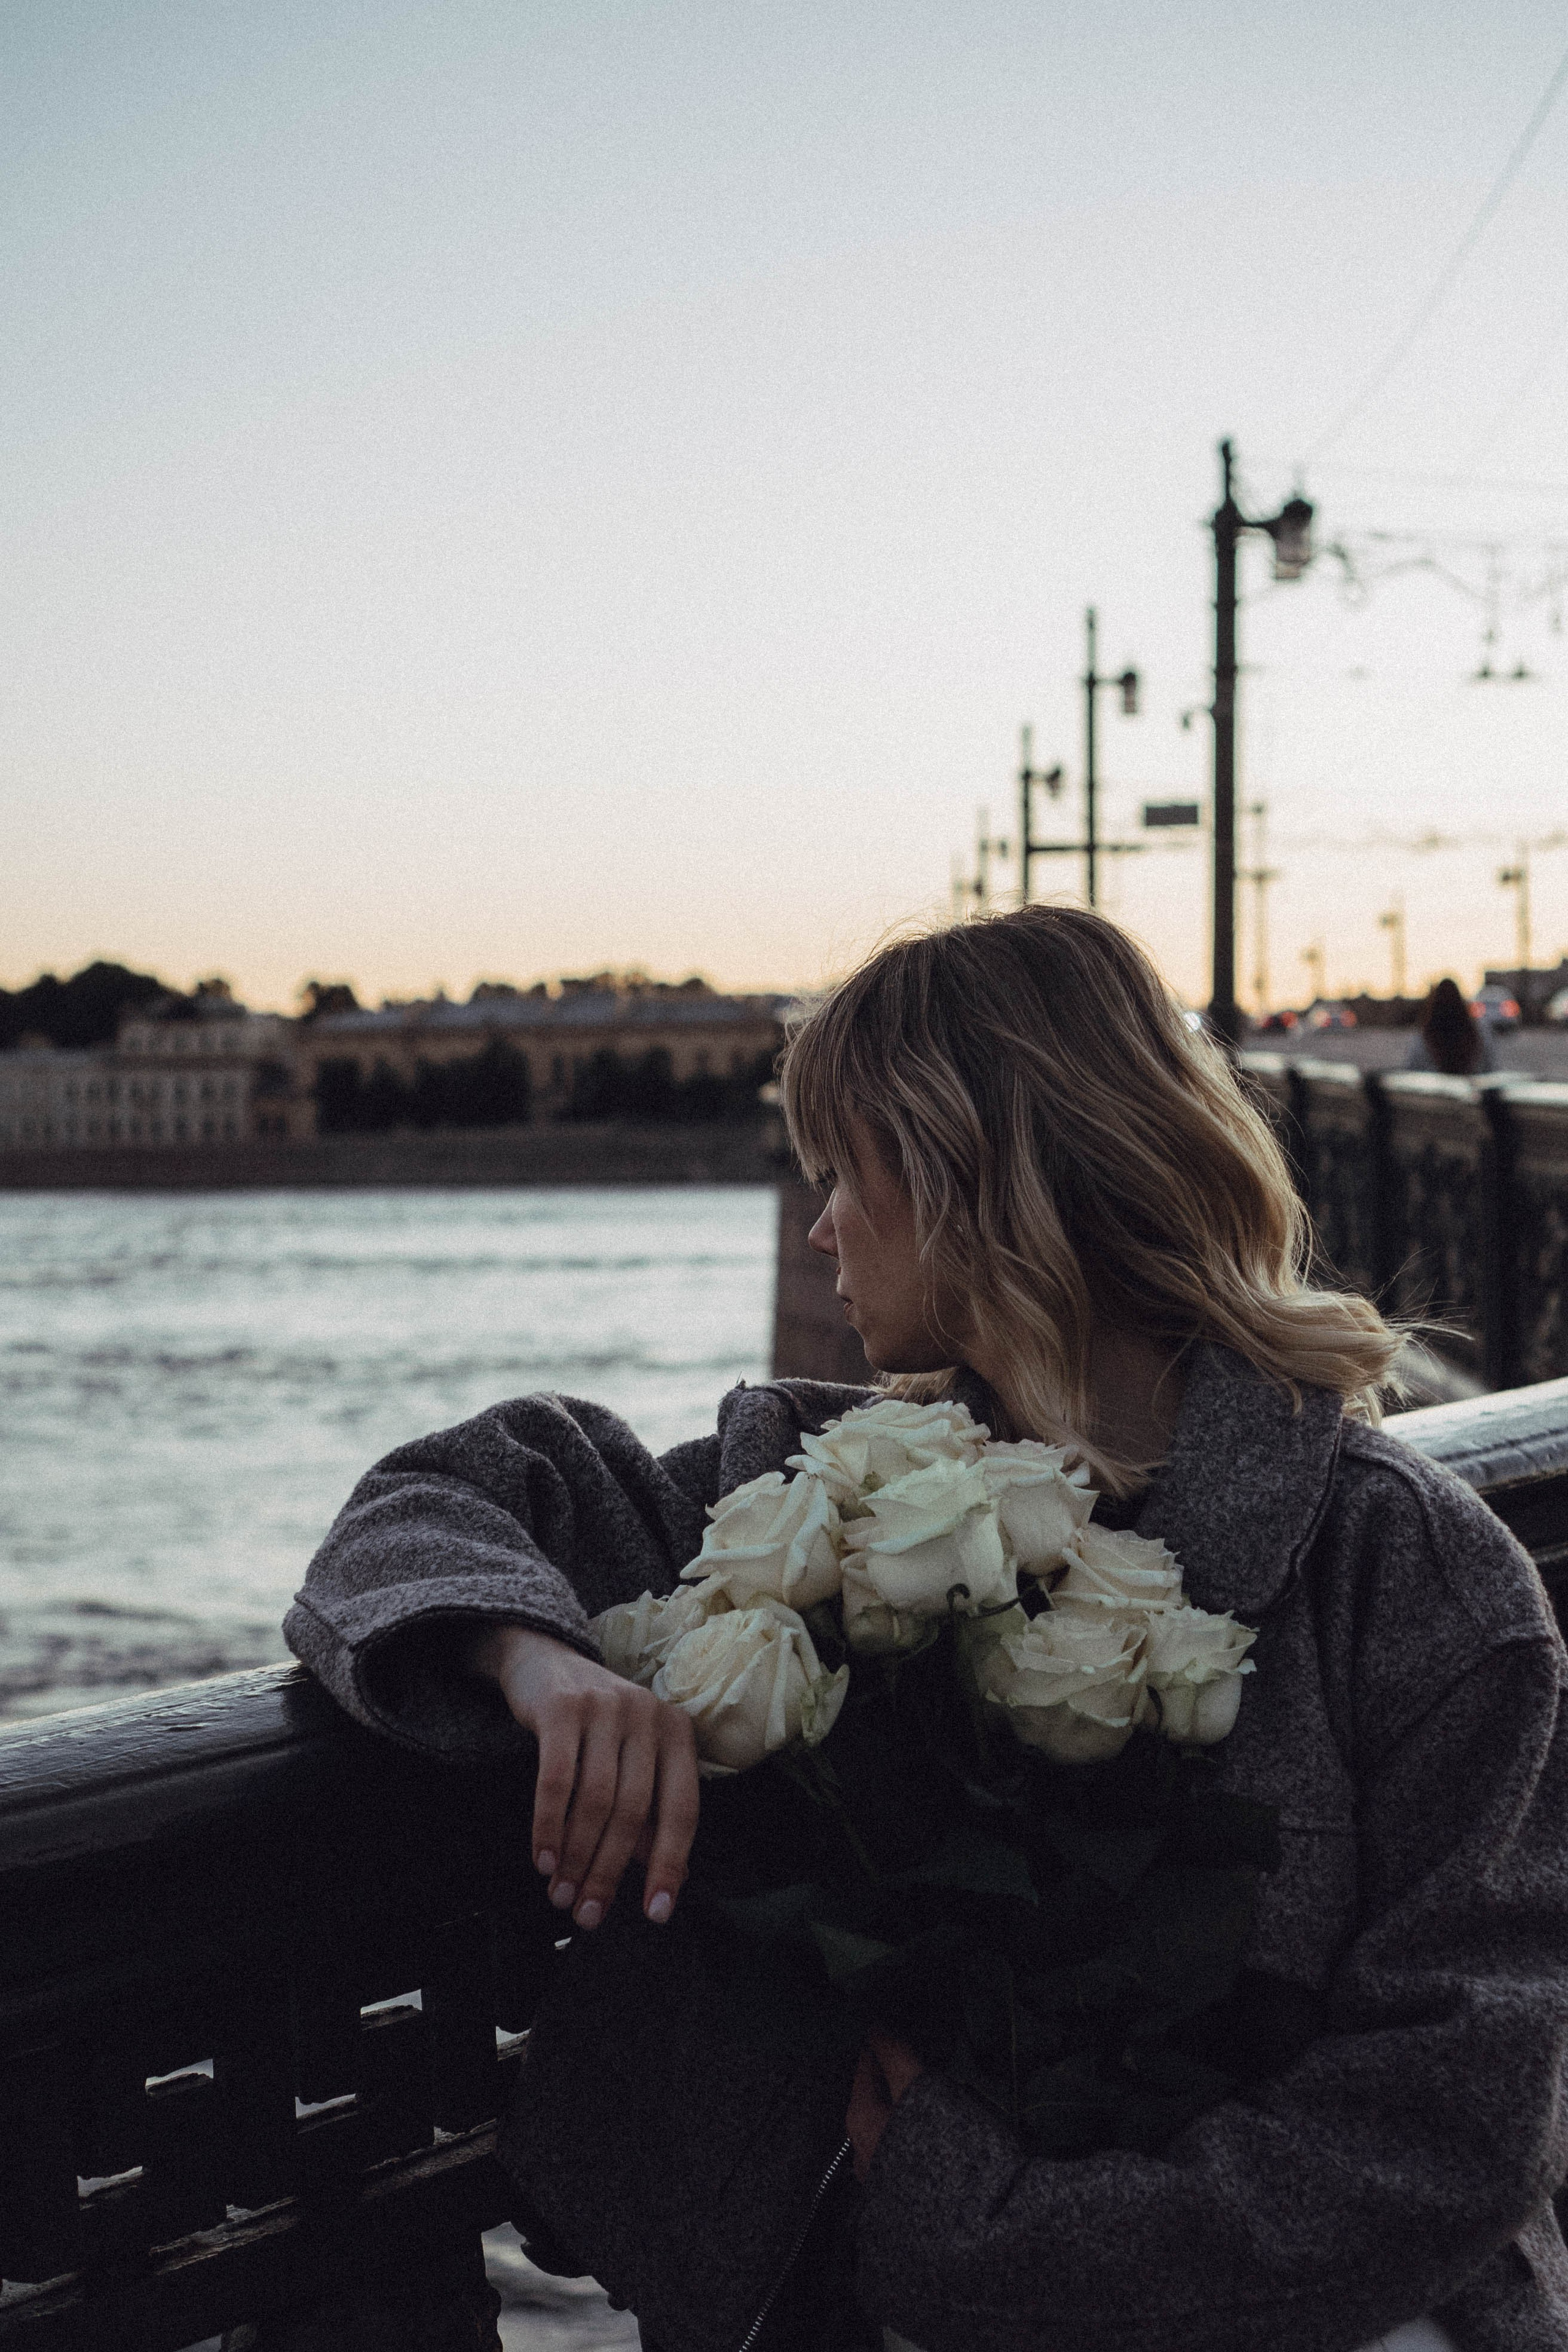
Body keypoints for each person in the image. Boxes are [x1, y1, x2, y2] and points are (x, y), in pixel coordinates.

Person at [287, 907, 1568, 2352]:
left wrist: (984, 2237)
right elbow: (426, 1503)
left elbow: (1455, 2119)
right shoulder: (805, 1493)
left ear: (980, 1176)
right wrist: (532, 1659)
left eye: (846, 1170)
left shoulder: (1403, 1574)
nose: (818, 1223)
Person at [1404, 977, 1498, 1076]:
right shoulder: (1479, 1032)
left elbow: (1412, 1071)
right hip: (1470, 1083)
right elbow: (1490, 1070)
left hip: (1436, 1084)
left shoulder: (1424, 1036)